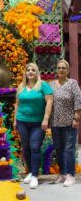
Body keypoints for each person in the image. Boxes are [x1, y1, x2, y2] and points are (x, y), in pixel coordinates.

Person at [14, 63, 53, 189]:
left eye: (33, 70)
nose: (30, 72)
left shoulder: (43, 85)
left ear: (37, 73)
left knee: (35, 147)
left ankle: (35, 176)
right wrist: (15, 120)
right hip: (22, 121)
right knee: (26, 147)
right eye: (28, 70)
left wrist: (46, 119)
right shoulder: (21, 86)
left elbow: (49, 102)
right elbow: (17, 105)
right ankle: (30, 172)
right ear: (25, 73)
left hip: (38, 122)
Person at [50, 59, 81, 187]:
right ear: (56, 70)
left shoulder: (72, 83)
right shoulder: (51, 84)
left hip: (69, 121)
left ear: (68, 70)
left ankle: (70, 175)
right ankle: (62, 174)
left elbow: (78, 99)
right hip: (55, 122)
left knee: (69, 149)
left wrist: (76, 117)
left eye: (63, 68)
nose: (61, 70)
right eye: (59, 68)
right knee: (59, 149)